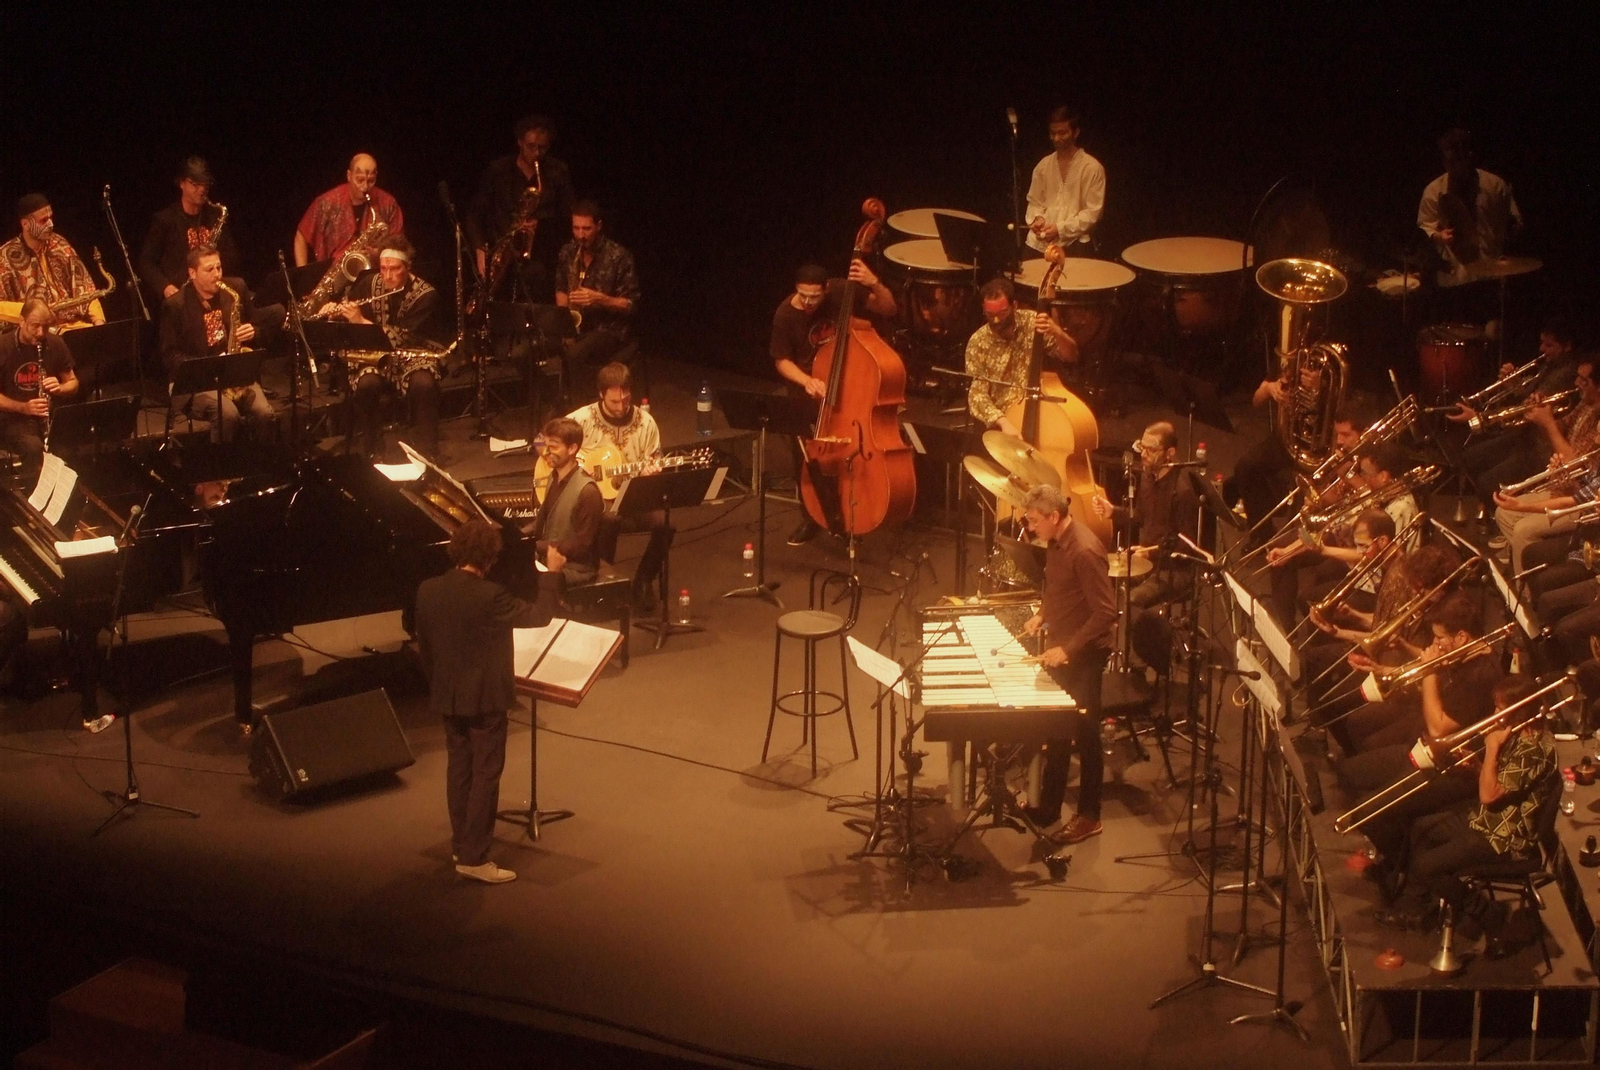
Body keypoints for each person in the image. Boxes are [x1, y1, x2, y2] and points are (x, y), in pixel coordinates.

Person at [415, 519, 560, 884]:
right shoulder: (490, 596)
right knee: (484, 775)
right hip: (486, 700)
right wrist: (552, 575)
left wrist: (440, 685)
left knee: (459, 770)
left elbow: (426, 648)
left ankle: (460, 844)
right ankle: (474, 858)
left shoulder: (427, 590)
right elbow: (540, 615)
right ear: (490, 557)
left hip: (448, 696)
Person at [1374, 677, 1555, 932]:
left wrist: (1491, 749)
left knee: (1426, 866)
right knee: (1422, 828)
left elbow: (1489, 795)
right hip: (1487, 818)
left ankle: (1486, 913)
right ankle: (1423, 905)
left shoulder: (1535, 750)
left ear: (1521, 709)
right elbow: (1500, 784)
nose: (1495, 714)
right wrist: (1477, 766)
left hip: (1507, 838)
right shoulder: (1515, 734)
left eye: (1501, 708)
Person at [770, 260, 897, 545]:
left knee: (846, 455)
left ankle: (849, 518)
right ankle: (812, 517)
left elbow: (889, 308)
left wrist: (874, 282)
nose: (808, 301)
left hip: (846, 383)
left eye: (814, 296)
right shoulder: (785, 314)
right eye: (803, 295)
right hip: (807, 388)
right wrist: (807, 381)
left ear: (826, 289)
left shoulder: (841, 292)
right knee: (806, 459)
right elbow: (781, 360)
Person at [1018, 483, 1118, 843]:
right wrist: (1042, 614)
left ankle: (1090, 816)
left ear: (1054, 516)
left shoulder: (1086, 551)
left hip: (1086, 653)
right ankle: (1048, 806)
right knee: (1056, 727)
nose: (1030, 528)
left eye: (1033, 521)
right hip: (1064, 644)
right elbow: (1057, 587)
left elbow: (1106, 612)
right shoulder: (1054, 542)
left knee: (1087, 734)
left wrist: (1069, 649)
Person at [1337, 591, 1502, 760]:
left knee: (1366, 745)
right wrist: (1385, 670)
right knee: (1358, 726)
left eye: (1439, 638)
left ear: (1462, 637)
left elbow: (1438, 729)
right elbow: (1430, 661)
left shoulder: (1481, 676)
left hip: (1433, 748)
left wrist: (1428, 673)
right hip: (1419, 713)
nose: (1434, 644)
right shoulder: (1462, 651)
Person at [323, 236, 445, 460]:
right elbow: (351, 321)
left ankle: (428, 453)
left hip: (414, 353)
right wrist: (336, 312)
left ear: (407, 268)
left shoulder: (426, 295)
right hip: (374, 354)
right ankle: (372, 449)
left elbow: (403, 337)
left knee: (424, 383)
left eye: (395, 269)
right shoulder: (369, 283)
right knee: (366, 383)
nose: (387, 275)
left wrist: (360, 321)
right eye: (383, 269)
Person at [1450, 319, 1581, 524]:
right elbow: (1527, 400)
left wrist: (1481, 417)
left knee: (1486, 484)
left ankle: (1500, 520)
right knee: (1470, 458)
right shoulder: (1550, 366)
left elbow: (1527, 408)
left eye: (1549, 345)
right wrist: (1513, 384)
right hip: (1525, 436)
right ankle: (1490, 510)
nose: (1541, 349)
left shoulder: (1568, 373)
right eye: (1542, 343)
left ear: (1567, 346)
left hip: (1540, 448)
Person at [567, 362, 670, 610]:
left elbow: (654, 459)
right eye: (614, 402)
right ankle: (603, 582)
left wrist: (650, 472)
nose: (621, 406)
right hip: (596, 498)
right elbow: (542, 444)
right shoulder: (580, 419)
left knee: (665, 524)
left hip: (633, 495)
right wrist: (578, 466)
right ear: (601, 394)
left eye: (625, 400)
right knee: (609, 519)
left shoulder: (646, 423)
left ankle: (643, 581)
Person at [158, 245, 274, 441]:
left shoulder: (235, 290)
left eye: (219, 268)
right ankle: (221, 468)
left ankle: (260, 464)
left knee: (265, 413)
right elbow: (169, 356)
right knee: (228, 415)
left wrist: (254, 332)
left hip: (233, 376)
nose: (217, 274)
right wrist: (209, 365)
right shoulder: (175, 305)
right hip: (194, 383)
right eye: (209, 270)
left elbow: (258, 325)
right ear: (192, 273)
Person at [467, 114, 576, 303]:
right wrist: (480, 250)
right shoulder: (498, 171)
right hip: (500, 252)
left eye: (542, 147)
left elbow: (568, 216)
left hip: (539, 257)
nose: (536, 153)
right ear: (519, 142)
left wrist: (540, 225)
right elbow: (475, 215)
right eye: (531, 146)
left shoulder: (557, 172)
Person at [1089, 421, 1197, 608]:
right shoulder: (1147, 477)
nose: (1143, 455)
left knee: (1134, 600)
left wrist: (1152, 552)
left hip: (1173, 569)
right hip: (1145, 561)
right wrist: (1112, 511)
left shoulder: (1182, 490)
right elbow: (1140, 515)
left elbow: (1186, 546)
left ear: (1170, 453)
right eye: (1142, 447)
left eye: (1151, 450)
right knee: (1095, 578)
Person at [963, 277, 1079, 439]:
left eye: (1002, 313)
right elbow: (977, 396)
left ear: (1014, 306)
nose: (996, 320)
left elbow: (1071, 356)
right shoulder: (978, 343)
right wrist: (1004, 423)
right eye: (990, 314)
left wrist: (1057, 332)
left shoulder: (1032, 322)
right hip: (1000, 423)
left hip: (1036, 414)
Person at [555, 200, 641, 395]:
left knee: (574, 354)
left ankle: (579, 412)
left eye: (586, 229)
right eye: (576, 228)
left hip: (609, 329)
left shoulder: (619, 256)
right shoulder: (568, 252)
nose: (580, 235)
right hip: (576, 325)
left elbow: (631, 304)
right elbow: (560, 287)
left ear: (599, 226)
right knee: (528, 350)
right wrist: (564, 320)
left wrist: (599, 299)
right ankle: (557, 399)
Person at [1417, 127, 1523, 278]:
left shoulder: (1495, 186)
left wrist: (1512, 227)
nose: (1453, 167)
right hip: (1454, 277)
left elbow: (1514, 222)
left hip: (1492, 271)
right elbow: (1424, 227)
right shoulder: (1433, 191)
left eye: (1458, 161)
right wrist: (1439, 236)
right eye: (1448, 162)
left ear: (1470, 157)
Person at [138, 156, 240, 305]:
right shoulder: (165, 220)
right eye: (195, 184)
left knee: (240, 286)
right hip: (181, 295)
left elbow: (232, 255)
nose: (201, 190)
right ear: (181, 183)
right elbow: (146, 263)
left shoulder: (215, 216)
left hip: (211, 291)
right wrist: (165, 287)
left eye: (205, 185)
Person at [0, 194, 106, 328]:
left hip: (75, 327)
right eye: (43, 220)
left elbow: (87, 290)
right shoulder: (6, 256)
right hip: (37, 333)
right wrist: (33, 312)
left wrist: (99, 322)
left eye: (51, 218)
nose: (51, 224)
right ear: (25, 224)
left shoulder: (59, 244)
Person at [0, 297, 80, 470]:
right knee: (34, 449)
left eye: (45, 326)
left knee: (75, 444)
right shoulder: (3, 346)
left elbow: (73, 382)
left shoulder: (55, 343)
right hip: (12, 418)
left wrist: (60, 388)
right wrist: (24, 408)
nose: (40, 333)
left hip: (48, 418)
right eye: (35, 326)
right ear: (21, 321)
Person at [293, 153, 404, 267]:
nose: (365, 186)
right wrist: (303, 275)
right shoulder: (327, 202)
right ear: (349, 176)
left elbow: (399, 247)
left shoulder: (388, 204)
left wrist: (378, 254)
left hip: (374, 275)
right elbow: (301, 237)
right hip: (334, 274)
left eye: (371, 181)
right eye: (360, 180)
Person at [1024, 105, 1106, 255]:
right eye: (1053, 133)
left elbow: (1092, 213)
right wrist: (1037, 219)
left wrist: (1060, 229)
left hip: (1074, 245)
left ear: (1076, 133)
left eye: (1062, 133)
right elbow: (1035, 201)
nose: (1056, 138)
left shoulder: (1092, 168)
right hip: (1039, 244)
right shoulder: (1043, 166)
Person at [530, 417, 602, 586]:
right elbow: (546, 520)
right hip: (549, 560)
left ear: (572, 449)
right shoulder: (553, 477)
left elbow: (581, 547)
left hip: (576, 569)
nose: (546, 452)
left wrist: (538, 546)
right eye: (546, 445)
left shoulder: (588, 492)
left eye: (553, 447)